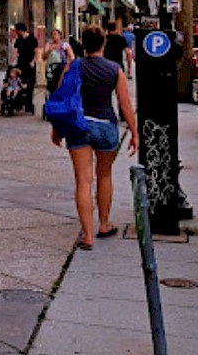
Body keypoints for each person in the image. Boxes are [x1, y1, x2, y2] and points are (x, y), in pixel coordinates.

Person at [51, 25, 139, 250]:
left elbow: (61, 97)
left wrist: (56, 129)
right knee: (104, 176)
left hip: (78, 126)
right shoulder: (114, 69)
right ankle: (105, 224)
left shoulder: (73, 66)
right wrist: (134, 132)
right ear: (104, 43)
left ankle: (88, 236)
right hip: (106, 126)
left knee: (83, 180)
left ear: (83, 44)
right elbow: (125, 105)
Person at [13, 23, 38, 113]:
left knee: (30, 85)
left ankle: (29, 105)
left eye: (16, 30)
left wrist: (33, 62)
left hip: (29, 64)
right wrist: (13, 62)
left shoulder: (32, 39)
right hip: (21, 64)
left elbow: (36, 52)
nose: (16, 32)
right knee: (19, 83)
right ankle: (18, 103)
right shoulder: (18, 40)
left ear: (20, 30)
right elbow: (15, 51)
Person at [44, 29, 75, 94]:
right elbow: (44, 57)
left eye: (55, 34)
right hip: (51, 68)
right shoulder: (49, 45)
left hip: (62, 67)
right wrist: (49, 51)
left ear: (59, 35)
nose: (53, 36)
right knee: (51, 86)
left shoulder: (65, 45)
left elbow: (71, 56)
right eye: (52, 34)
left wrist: (68, 65)